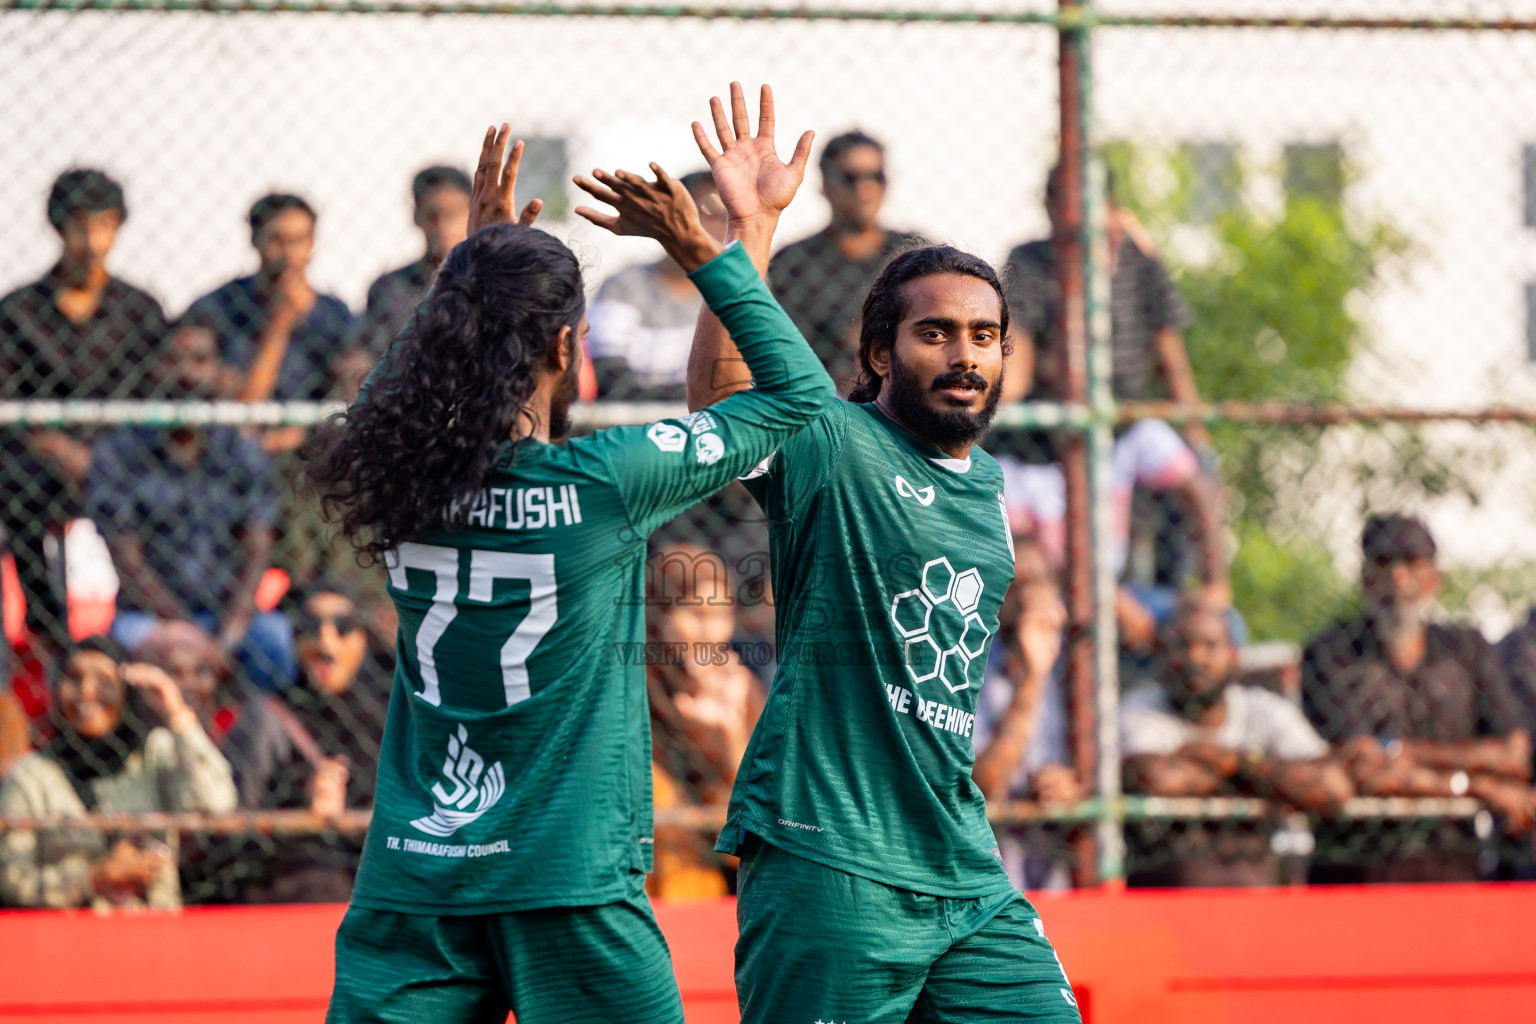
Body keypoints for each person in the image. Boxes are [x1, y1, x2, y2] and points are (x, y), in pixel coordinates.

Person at [305, 97, 832, 1022]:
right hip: (569, 883)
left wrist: (462, 279)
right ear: (565, 347)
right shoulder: (602, 480)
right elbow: (797, 398)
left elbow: (385, 398)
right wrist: (714, 248)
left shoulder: (396, 477)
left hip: (415, 888)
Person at [688, 85, 1081, 1024]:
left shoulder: (987, 483)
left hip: (959, 865)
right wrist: (751, 229)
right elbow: (721, 403)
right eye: (935, 332)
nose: (964, 355)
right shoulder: (838, 442)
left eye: (984, 336)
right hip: (833, 861)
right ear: (878, 350)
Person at [1303, 513, 1535, 882]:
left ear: (1435, 578)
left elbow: (1513, 755)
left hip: (1455, 860)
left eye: (1411, 562)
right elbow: (1363, 766)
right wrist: (1472, 782)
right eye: (1383, 563)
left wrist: (1404, 753)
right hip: (1356, 864)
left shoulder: (1466, 648)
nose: (1397, 576)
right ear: (1364, 578)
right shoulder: (1331, 652)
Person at [1, 169, 169, 653]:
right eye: (80, 225)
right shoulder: (18, 311)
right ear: (58, 227)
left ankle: (143, 615)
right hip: (39, 462)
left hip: (122, 457)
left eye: (104, 224)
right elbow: (9, 404)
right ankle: (46, 630)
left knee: (153, 490)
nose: (92, 240)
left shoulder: (140, 310)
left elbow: (155, 397)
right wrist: (64, 451)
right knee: (18, 492)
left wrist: (105, 458)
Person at [86, 332, 294, 693]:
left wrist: (227, 636)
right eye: (172, 360)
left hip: (229, 614)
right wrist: (191, 637)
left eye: (199, 360)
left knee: (273, 640)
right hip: (150, 615)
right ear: (152, 369)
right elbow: (128, 562)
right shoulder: (120, 453)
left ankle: (253, 737)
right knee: (128, 642)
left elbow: (257, 552)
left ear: (218, 372)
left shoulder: (242, 452)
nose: (185, 373)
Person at [1121, 600, 1352, 887]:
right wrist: (1269, 781)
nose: (1195, 658)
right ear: (1161, 654)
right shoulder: (1140, 710)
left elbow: (1332, 786)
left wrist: (1236, 762)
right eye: (1181, 646)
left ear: (1234, 656)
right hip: (1162, 902)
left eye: (1210, 646)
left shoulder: (1264, 710)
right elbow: (1157, 779)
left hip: (1255, 899)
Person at [0, 636, 236, 909]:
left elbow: (217, 803)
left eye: (104, 680)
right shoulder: (32, 777)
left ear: (127, 692)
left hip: (153, 927)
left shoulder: (153, 754)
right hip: (70, 935)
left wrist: (177, 713)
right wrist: (93, 878)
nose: (87, 692)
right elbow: (10, 879)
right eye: (73, 678)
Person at [1000, 416, 1234, 652]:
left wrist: (1215, 583)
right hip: (1058, 597)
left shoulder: (1129, 435)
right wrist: (1112, 600)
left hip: (1124, 591)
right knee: (1038, 625)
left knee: (1222, 625)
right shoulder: (1010, 466)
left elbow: (1200, 492)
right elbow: (1025, 560)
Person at [223, 579, 391, 902]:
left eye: (342, 627)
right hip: (288, 872)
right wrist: (303, 809)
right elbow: (235, 837)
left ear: (363, 637)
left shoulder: (393, 716)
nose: (326, 644)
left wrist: (346, 815)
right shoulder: (271, 717)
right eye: (311, 626)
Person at [646, 543, 764, 899]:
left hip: (736, 879)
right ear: (659, 616)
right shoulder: (639, 693)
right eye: (695, 613)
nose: (711, 632)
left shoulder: (741, 690)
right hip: (670, 883)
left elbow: (762, 826)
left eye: (721, 613)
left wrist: (730, 738)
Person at [767, 130, 922, 391]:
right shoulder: (794, 262)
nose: (864, 188)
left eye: (876, 176)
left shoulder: (913, 252)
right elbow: (786, 349)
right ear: (825, 185)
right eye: (850, 178)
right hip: (820, 395)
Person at [971, 535, 1080, 891]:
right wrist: (1033, 675)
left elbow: (1104, 771)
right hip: (988, 865)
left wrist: (1069, 784)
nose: (1030, 598)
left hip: (1052, 866)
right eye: (1015, 585)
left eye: (1039, 582)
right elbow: (982, 786)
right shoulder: (970, 671)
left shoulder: (1077, 670)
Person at [186, 193, 352, 403]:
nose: (289, 254)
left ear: (312, 243)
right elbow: (244, 398)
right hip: (236, 431)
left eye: (299, 240)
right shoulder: (219, 307)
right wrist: (280, 321)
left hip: (315, 433)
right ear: (255, 240)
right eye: (277, 241)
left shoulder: (336, 314)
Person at [587, 171, 729, 401]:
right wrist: (698, 396)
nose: (721, 226)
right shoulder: (626, 286)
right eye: (708, 210)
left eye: (729, 215)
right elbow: (610, 378)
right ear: (672, 216)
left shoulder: (737, 291)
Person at [350, 166, 472, 358]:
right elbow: (373, 360)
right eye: (433, 215)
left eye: (452, 213)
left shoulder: (489, 282)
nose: (442, 225)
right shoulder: (390, 289)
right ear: (417, 216)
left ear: (471, 214)